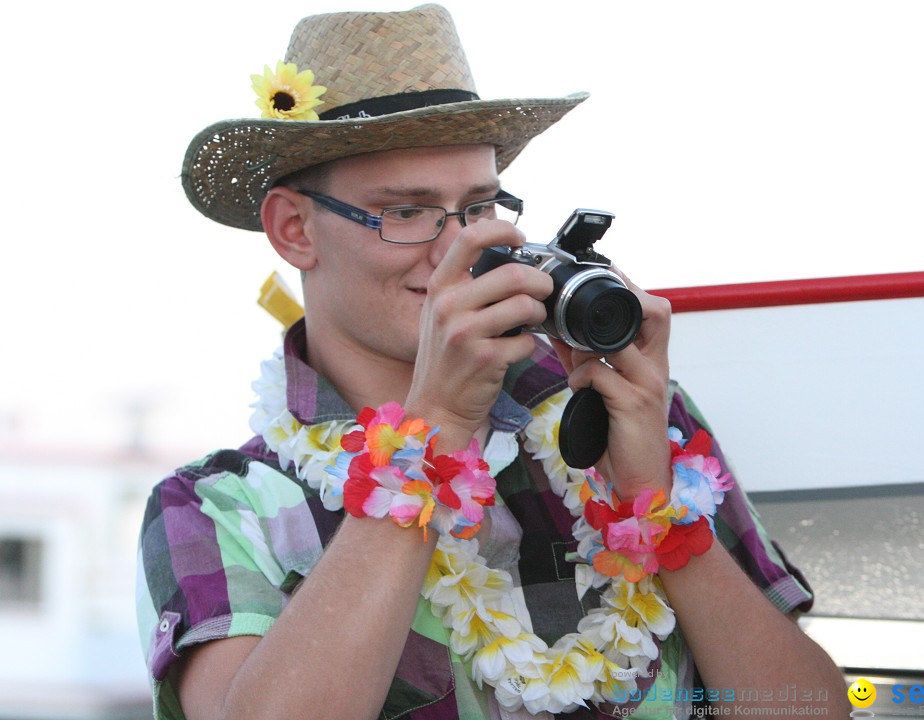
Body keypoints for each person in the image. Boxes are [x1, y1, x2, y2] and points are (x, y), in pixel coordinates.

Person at [136, 5, 849, 720]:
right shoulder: (215, 507)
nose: (457, 251)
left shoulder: (622, 404)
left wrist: (654, 507)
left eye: (478, 208)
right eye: (406, 212)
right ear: (294, 230)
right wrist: (432, 434)